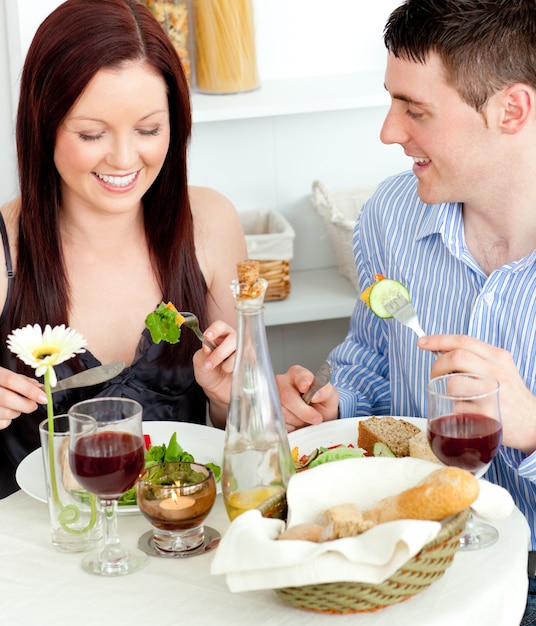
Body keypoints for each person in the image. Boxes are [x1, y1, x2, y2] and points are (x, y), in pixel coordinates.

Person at [276, 1, 536, 622]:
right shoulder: (391, 216)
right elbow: (370, 359)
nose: (389, 132)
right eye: (393, 102)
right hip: (403, 560)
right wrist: (336, 404)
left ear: (512, 110)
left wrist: (530, 426)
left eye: (416, 110)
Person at [0, 0, 246, 498]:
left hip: (175, 530)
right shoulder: (5, 248)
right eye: (91, 133)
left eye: (149, 129)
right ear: (42, 124)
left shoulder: (212, 224)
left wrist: (227, 398)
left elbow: (238, 439)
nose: (123, 158)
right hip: (34, 550)